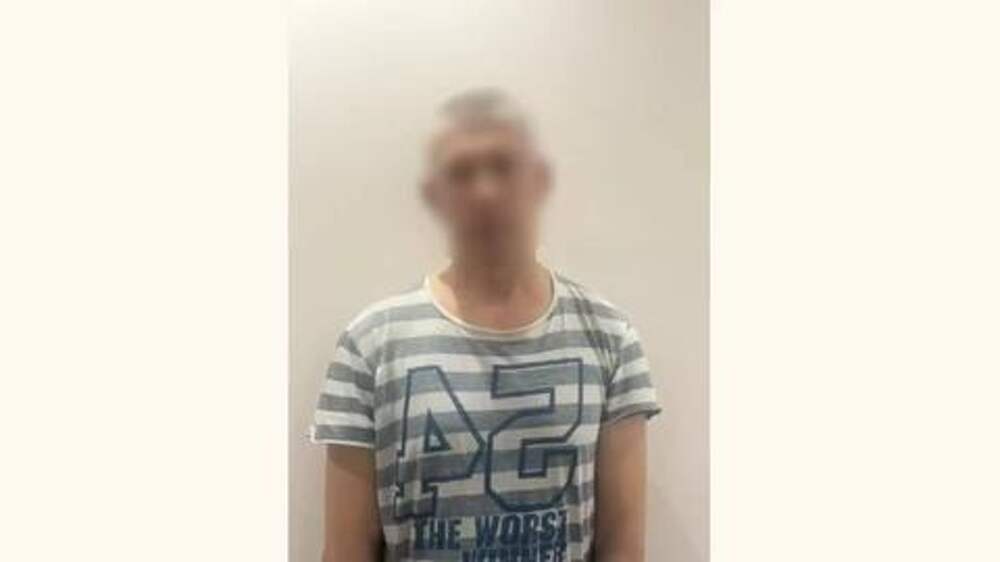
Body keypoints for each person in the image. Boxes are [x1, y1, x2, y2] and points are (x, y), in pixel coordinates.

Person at [310, 88, 660, 562]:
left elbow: (622, 549)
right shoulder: (370, 345)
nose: (485, 191)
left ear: (539, 179)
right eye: (461, 173)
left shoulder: (611, 339)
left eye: (503, 166)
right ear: (433, 195)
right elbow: (347, 551)